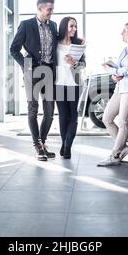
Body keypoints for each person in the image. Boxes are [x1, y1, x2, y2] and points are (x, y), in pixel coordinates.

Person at [10, 0, 58, 161]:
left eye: (52, 9)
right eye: (49, 9)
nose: (52, 12)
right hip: (33, 71)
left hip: (49, 72)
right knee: (33, 108)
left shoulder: (53, 25)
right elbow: (13, 49)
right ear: (40, 8)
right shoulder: (26, 25)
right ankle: (37, 145)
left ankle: (42, 143)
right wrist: (25, 65)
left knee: (50, 112)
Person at [97, 22, 128, 166]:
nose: (121, 33)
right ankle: (123, 148)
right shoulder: (125, 49)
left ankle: (115, 155)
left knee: (123, 122)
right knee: (107, 118)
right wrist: (115, 75)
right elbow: (120, 68)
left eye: (124, 31)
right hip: (120, 88)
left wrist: (113, 71)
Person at [55, 17, 86, 159]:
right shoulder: (55, 43)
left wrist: (73, 62)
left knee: (73, 116)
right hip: (59, 84)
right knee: (63, 117)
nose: (74, 29)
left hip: (75, 84)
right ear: (64, 27)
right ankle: (64, 143)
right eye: (71, 26)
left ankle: (67, 147)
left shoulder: (79, 43)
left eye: (75, 26)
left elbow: (83, 65)